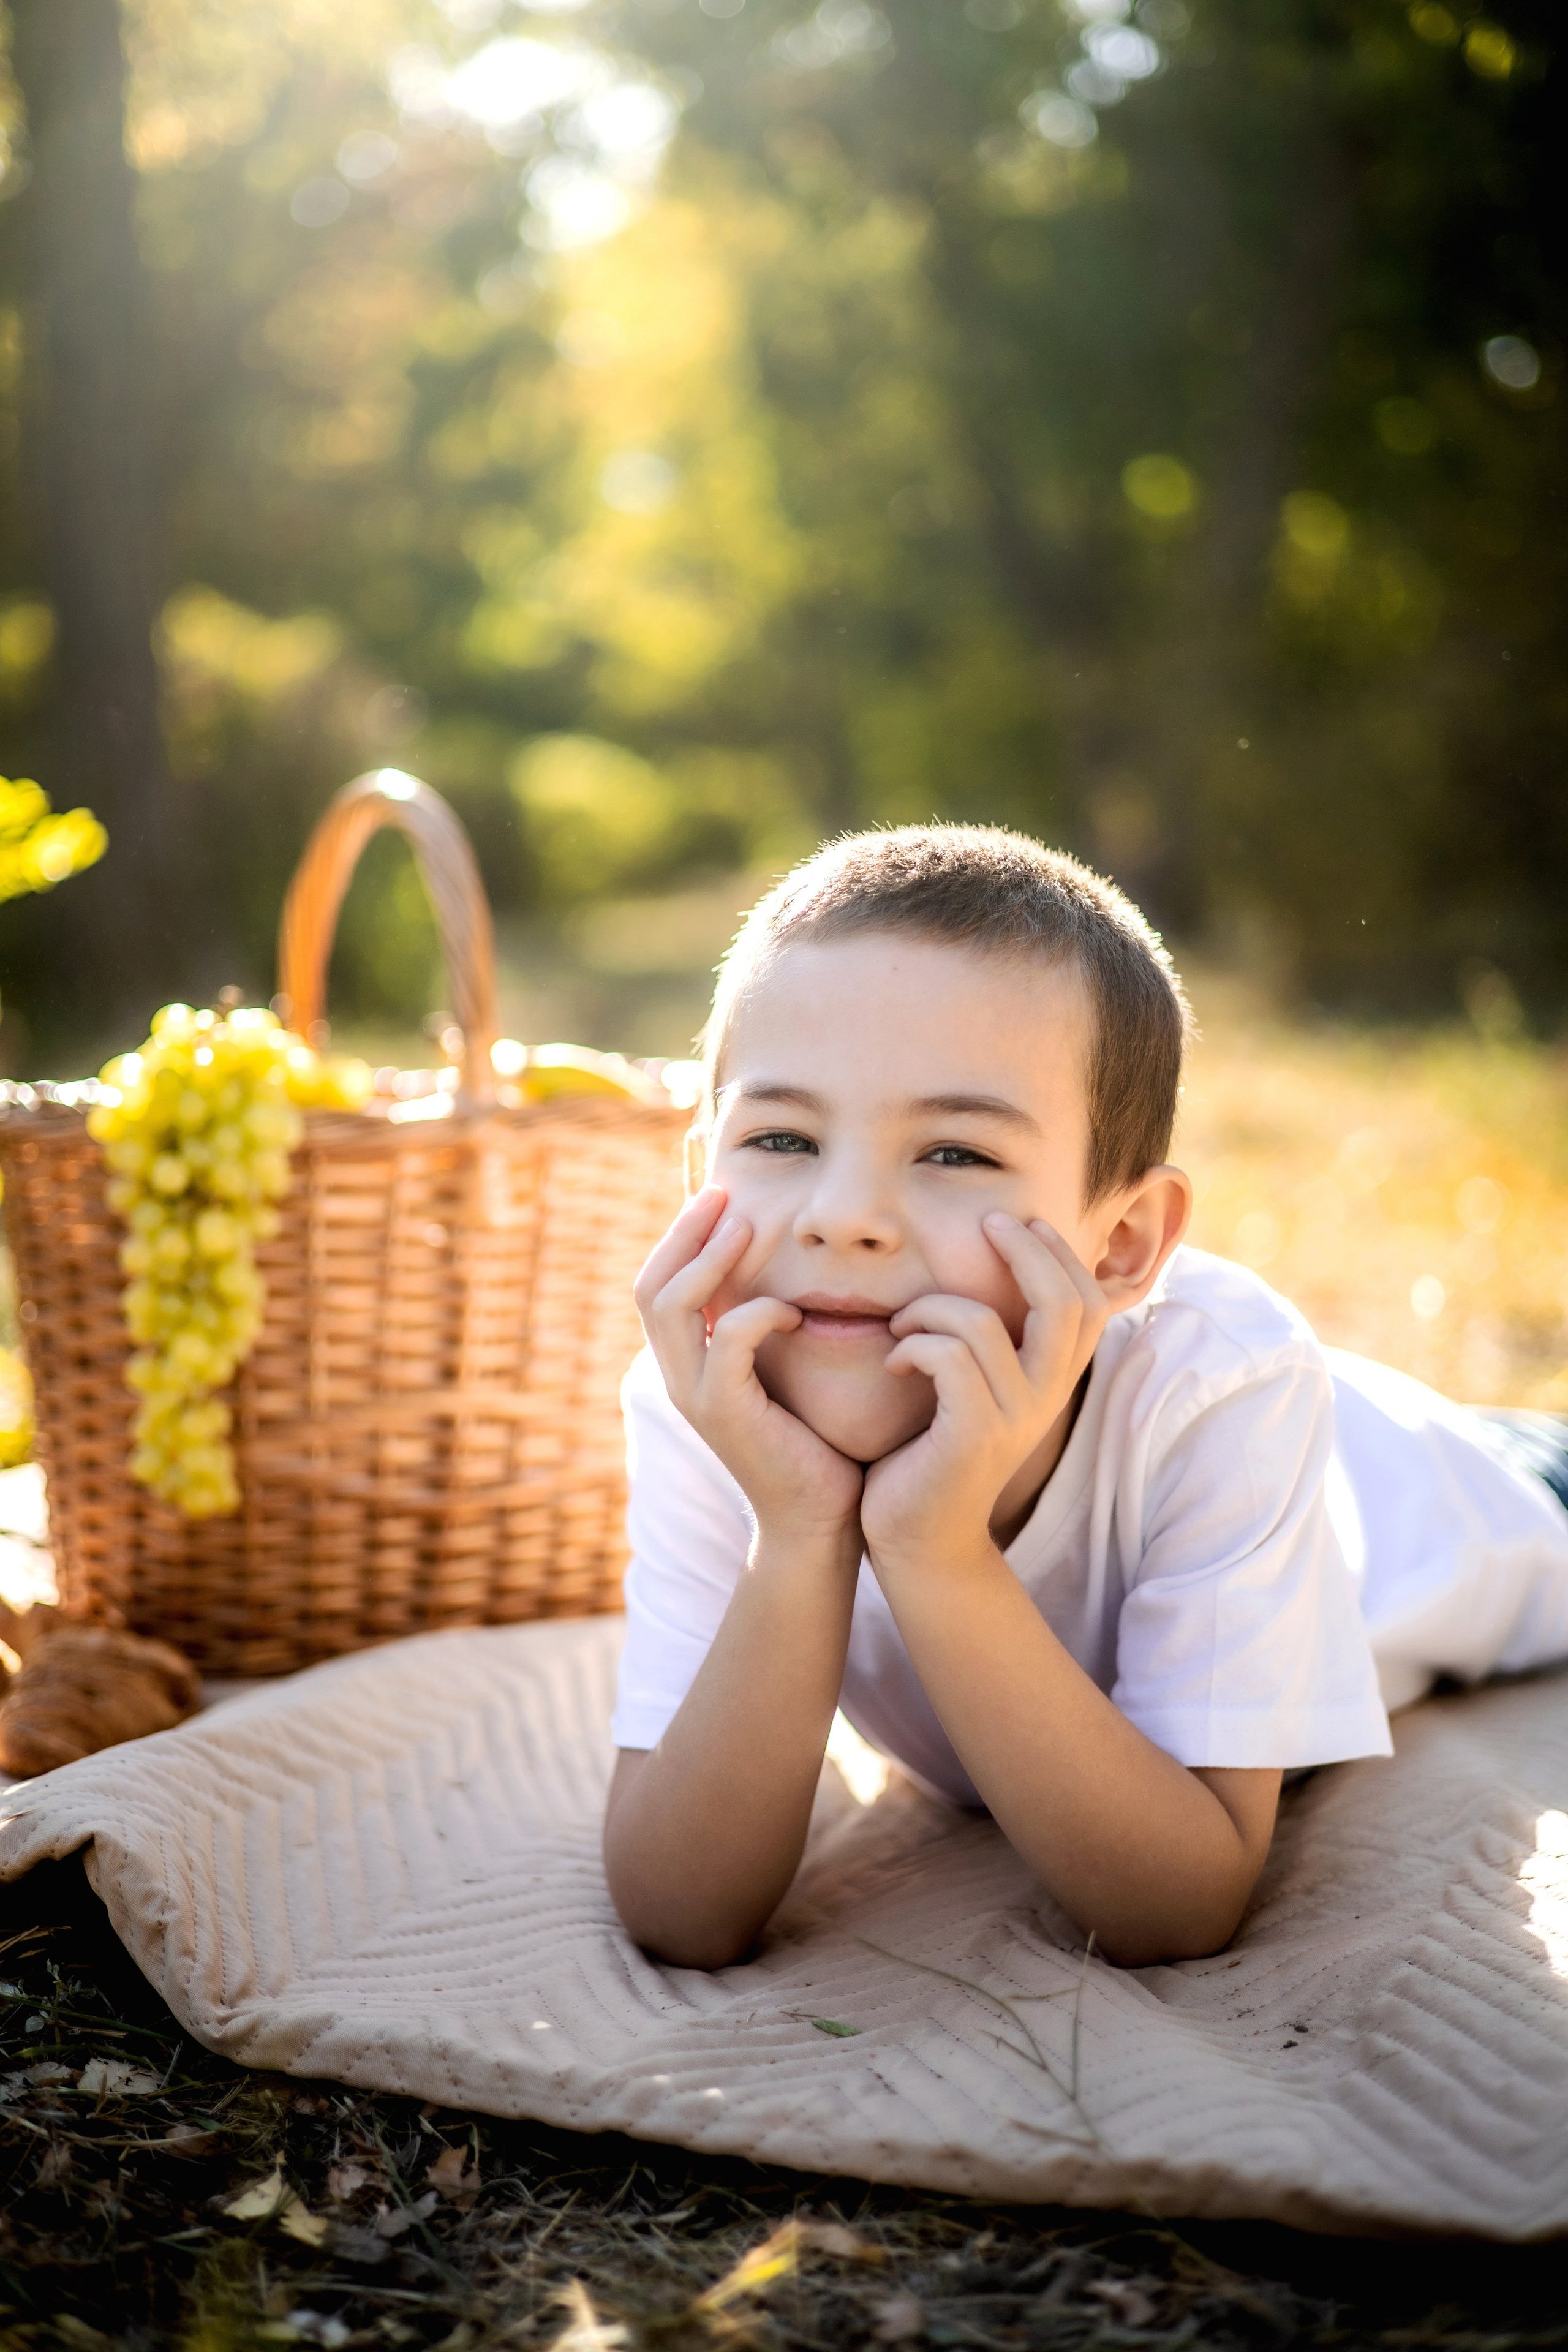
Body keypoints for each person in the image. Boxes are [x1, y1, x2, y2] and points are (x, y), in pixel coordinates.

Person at [602, 827, 1568, 1970]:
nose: (843, 1214)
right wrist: (800, 1528)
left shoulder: (1222, 1386)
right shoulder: (706, 1401)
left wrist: (935, 1549)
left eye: (955, 1154)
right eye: (779, 1136)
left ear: (1120, 1245)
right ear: (697, 1178)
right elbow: (679, 1909)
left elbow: (1178, 1904)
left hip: (1495, 1492)